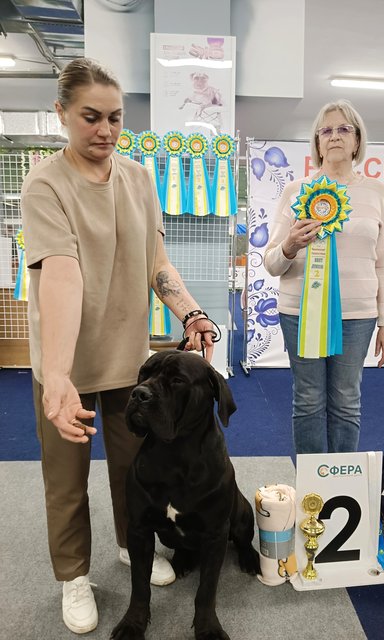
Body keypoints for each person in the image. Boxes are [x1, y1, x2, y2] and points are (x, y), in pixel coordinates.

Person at [21, 58, 215, 635]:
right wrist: (58, 376)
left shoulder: (140, 179)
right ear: (61, 113)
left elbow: (157, 263)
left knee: (138, 469)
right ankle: (74, 576)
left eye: (115, 117)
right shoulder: (45, 184)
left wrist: (191, 311)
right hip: (66, 366)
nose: (105, 130)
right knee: (66, 481)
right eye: (91, 117)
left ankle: (134, 547)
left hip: (131, 363)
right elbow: (62, 274)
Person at [264, 99, 384, 455]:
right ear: (318, 143)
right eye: (326, 130)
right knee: (307, 399)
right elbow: (271, 263)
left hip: (358, 315)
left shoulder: (376, 191)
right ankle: (312, 483)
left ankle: (341, 481)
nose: (334, 136)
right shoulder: (295, 192)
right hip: (299, 313)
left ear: (357, 141)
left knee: (347, 401)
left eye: (343, 129)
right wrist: (290, 245)